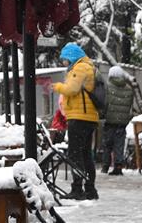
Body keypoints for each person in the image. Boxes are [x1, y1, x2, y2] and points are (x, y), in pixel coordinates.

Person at [53, 43, 99, 200]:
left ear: (72, 56)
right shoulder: (87, 66)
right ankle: (90, 189)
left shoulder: (80, 68)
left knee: (76, 154)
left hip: (80, 118)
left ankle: (78, 189)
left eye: (65, 59)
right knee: (86, 153)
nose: (64, 63)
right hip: (87, 117)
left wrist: (58, 86)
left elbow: (72, 89)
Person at [102, 65, 135, 175]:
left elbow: (104, 103)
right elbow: (129, 106)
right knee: (119, 145)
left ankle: (105, 166)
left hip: (109, 121)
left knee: (107, 145)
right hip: (122, 123)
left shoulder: (107, 87)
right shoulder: (129, 89)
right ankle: (118, 166)